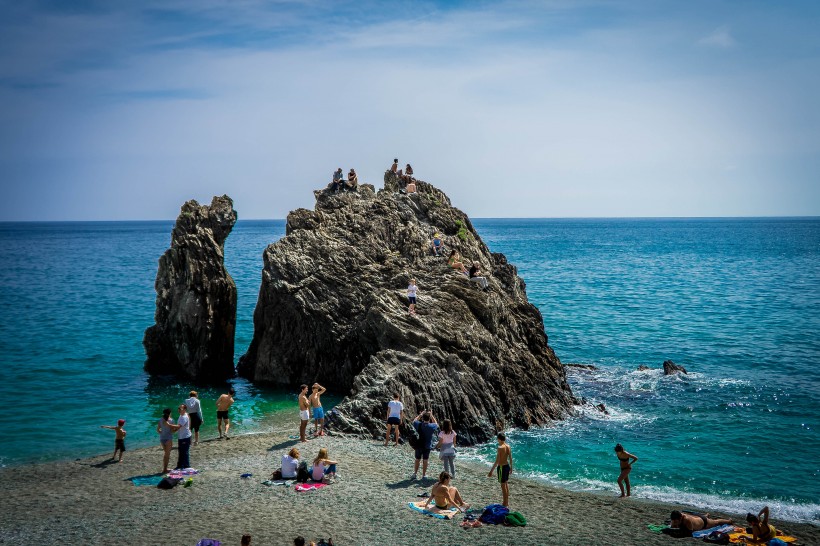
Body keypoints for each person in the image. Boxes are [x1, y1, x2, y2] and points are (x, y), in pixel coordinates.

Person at [488, 432, 513, 507]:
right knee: (505, 483)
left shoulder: (500, 447)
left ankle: (504, 503)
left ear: (499, 439)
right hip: (507, 466)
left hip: (501, 467)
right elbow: (510, 458)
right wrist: (511, 468)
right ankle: (507, 502)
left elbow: (497, 461)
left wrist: (491, 471)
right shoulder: (508, 446)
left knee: (503, 486)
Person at [412, 410, 438, 480]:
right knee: (425, 460)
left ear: (423, 418)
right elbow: (436, 423)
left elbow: (414, 421)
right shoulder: (431, 426)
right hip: (427, 445)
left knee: (417, 459)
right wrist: (431, 415)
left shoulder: (419, 425)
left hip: (419, 444)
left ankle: (415, 473)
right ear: (429, 419)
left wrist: (421, 414)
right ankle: (424, 475)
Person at [669, 510, 733, 537]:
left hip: (704, 522)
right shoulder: (675, 517)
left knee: (716, 522)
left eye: (675, 521)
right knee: (695, 518)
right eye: (673, 521)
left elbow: (689, 533)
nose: (674, 523)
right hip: (697, 518)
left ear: (680, 518)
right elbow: (672, 527)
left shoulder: (687, 520)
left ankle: (729, 521)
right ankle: (706, 515)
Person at [169, 404, 192, 469]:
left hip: (185, 437)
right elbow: (179, 427)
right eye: (178, 408)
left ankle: (186, 466)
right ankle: (180, 465)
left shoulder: (184, 417)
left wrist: (169, 425)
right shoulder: (182, 415)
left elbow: (179, 426)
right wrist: (173, 431)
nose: (179, 410)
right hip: (182, 436)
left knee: (184, 452)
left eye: (180, 409)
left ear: (184, 409)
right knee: (181, 451)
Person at [157, 408, 174, 473]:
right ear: (170, 413)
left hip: (162, 438)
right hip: (168, 438)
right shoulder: (171, 420)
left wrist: (162, 432)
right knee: (167, 455)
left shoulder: (160, 420)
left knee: (166, 454)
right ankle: (165, 469)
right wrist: (177, 429)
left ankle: (165, 468)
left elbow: (158, 430)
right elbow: (172, 431)